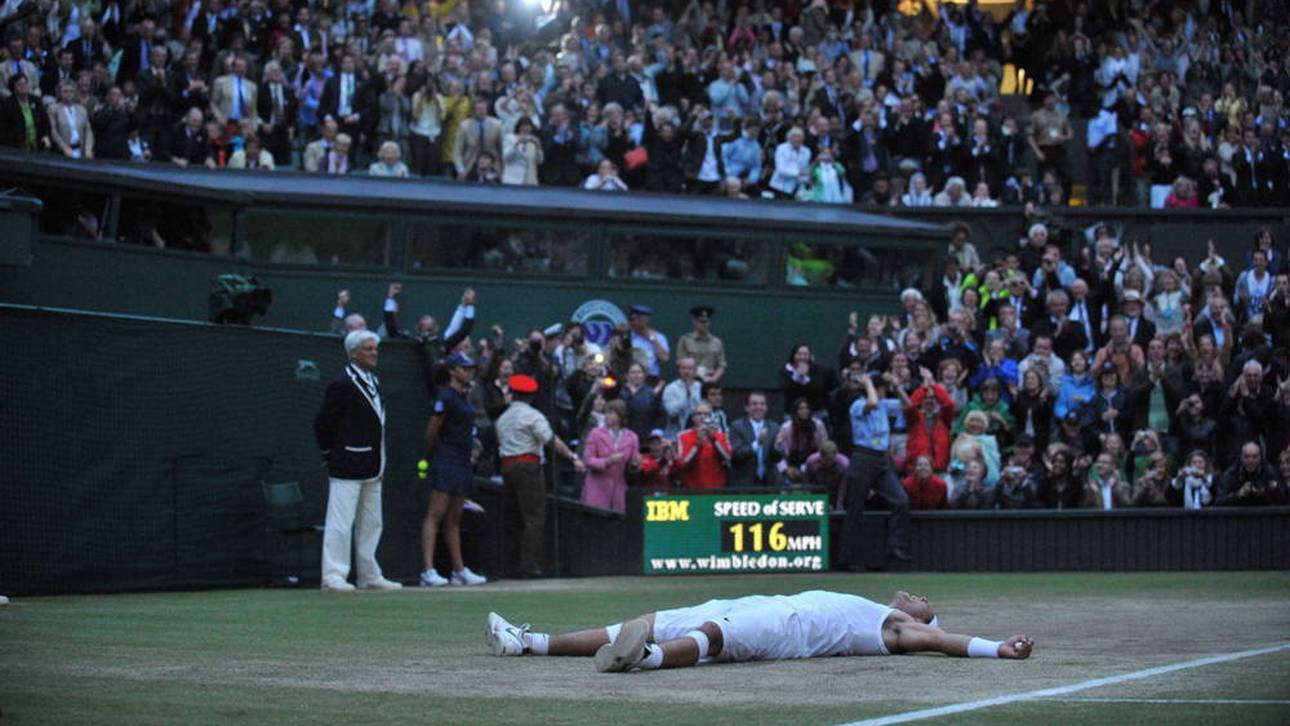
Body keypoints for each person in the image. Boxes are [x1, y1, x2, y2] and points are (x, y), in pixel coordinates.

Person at [486, 589, 1034, 672]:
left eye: (921, 601)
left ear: (917, 615)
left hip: (793, 627)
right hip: (773, 603)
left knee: (713, 634)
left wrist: (997, 648)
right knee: (659, 618)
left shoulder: (897, 628)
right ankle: (528, 642)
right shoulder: (883, 609)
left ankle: (645, 660)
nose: (911, 593)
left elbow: (942, 641)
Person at [312, 330, 401, 592]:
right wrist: (330, 454)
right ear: (353, 353)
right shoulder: (342, 383)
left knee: (373, 521)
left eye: (376, 348)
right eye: (368, 349)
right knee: (341, 523)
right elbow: (323, 422)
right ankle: (333, 574)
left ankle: (368, 573)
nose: (374, 353)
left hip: (374, 463)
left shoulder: (373, 380)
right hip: (347, 462)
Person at [495, 374, 584, 578]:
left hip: (507, 467)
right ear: (530, 396)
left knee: (512, 517)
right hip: (528, 466)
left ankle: (510, 565)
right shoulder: (533, 416)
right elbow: (550, 439)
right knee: (533, 517)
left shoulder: (503, 418)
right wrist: (572, 457)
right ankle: (529, 566)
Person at [419, 352, 487, 587]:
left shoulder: (464, 396)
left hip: (462, 461)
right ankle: (428, 571)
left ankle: (459, 571)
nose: (469, 371)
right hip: (446, 460)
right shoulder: (445, 396)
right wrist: (437, 455)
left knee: (454, 517)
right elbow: (431, 432)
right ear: (452, 371)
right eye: (464, 368)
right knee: (435, 514)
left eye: (470, 368)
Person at [839, 373, 912, 567]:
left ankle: (896, 545)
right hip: (863, 457)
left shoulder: (885, 405)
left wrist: (897, 386)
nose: (883, 391)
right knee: (855, 508)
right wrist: (869, 382)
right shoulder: (857, 405)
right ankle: (847, 558)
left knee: (901, 500)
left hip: (882, 458)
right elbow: (871, 402)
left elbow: (908, 405)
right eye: (881, 388)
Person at [581, 400, 640, 512]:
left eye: (611, 413)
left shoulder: (632, 437)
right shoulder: (595, 433)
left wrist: (635, 466)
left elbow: (632, 468)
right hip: (596, 490)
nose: (607, 416)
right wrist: (607, 461)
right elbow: (587, 460)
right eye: (606, 412)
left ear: (621, 416)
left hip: (618, 492)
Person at [727, 390, 781, 486]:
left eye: (762, 404)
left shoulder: (774, 427)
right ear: (747, 407)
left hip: (769, 484)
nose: (759, 407)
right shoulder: (736, 426)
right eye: (754, 404)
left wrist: (778, 448)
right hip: (744, 484)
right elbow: (736, 454)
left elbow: (777, 458)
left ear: (766, 407)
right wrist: (756, 444)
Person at [675, 403, 732, 489]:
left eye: (706, 414)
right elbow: (682, 464)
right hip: (692, 489)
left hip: (716, 488)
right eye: (699, 414)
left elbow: (728, 459)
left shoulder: (720, 435)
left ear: (711, 417)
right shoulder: (683, 436)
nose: (702, 417)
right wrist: (698, 445)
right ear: (693, 417)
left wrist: (713, 440)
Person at [675, 305, 727, 383]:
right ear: (694, 321)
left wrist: (714, 379)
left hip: (710, 380)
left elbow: (722, 365)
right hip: (690, 380)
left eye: (706, 321)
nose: (703, 324)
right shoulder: (685, 340)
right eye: (701, 321)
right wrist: (698, 377)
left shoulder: (717, 342)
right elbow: (680, 362)